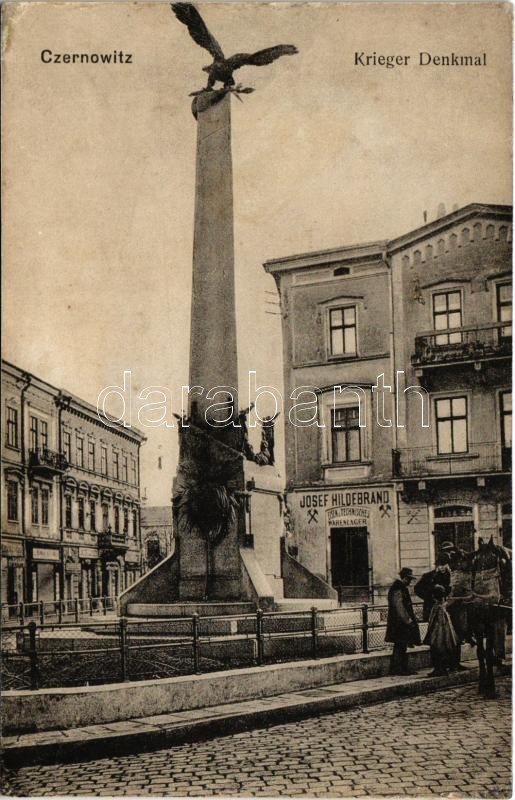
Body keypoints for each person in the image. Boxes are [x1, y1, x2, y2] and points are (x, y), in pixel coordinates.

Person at [385, 567, 421, 675]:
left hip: (400, 623)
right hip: (399, 623)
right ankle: (397, 669)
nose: (410, 582)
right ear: (404, 578)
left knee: (402, 645)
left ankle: (402, 668)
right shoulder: (397, 588)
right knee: (400, 645)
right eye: (409, 579)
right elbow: (399, 606)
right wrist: (408, 620)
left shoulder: (400, 587)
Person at [423, 584, 458, 676]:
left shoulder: (438, 607)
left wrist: (431, 634)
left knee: (437, 650)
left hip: (438, 633)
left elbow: (436, 622)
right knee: (442, 650)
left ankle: (439, 669)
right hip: (444, 633)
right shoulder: (443, 605)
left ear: (434, 596)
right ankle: (442, 668)